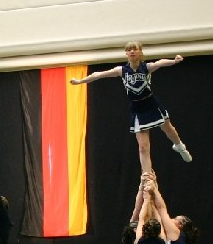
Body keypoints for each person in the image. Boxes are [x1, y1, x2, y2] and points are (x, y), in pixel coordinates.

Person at [70, 40, 192, 173]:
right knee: (143, 147)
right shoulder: (122, 70)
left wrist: (174, 61)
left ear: (140, 52)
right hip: (137, 109)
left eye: (135, 49)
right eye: (129, 50)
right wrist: (80, 81)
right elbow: (98, 75)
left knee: (169, 129)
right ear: (126, 53)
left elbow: (160, 62)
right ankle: (147, 175)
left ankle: (179, 146)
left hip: (150, 103)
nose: (132, 51)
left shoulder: (146, 67)